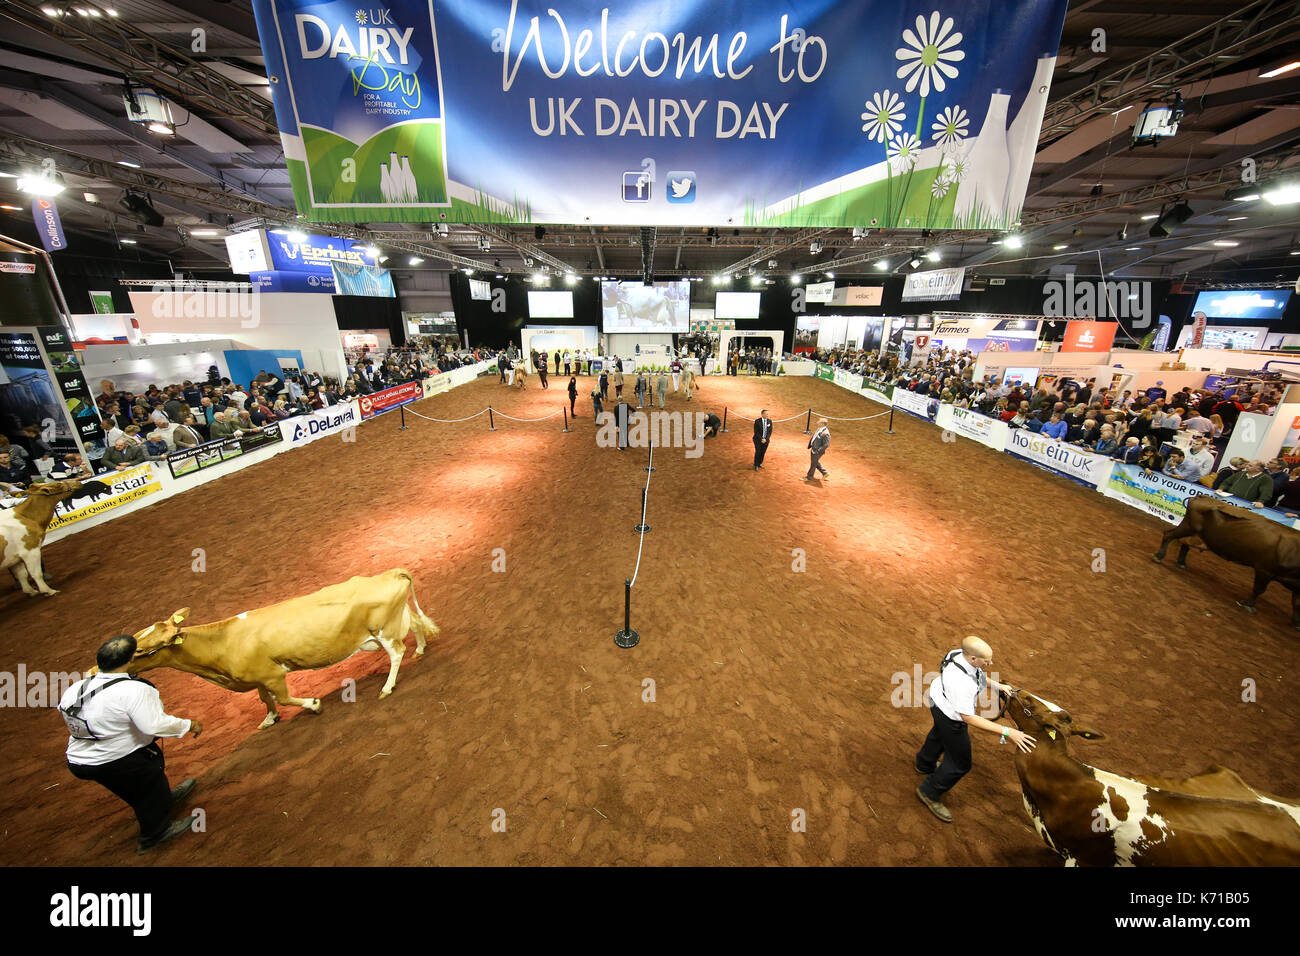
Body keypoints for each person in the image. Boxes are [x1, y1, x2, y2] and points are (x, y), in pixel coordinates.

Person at [60, 634, 203, 853]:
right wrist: (188, 724)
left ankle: (163, 800)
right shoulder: (135, 690)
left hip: (80, 759)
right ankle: (155, 834)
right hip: (115, 759)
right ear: (131, 660)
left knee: (140, 784)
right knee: (145, 784)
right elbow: (153, 725)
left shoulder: (75, 688)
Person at [914, 636, 1034, 824]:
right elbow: (968, 717)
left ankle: (924, 763)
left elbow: (976, 674)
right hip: (951, 716)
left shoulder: (957, 655)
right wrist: (1008, 732)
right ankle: (929, 792)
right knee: (960, 763)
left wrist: (997, 686)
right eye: (987, 661)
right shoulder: (962, 685)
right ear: (973, 659)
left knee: (938, 734)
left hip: (937, 701)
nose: (990, 663)